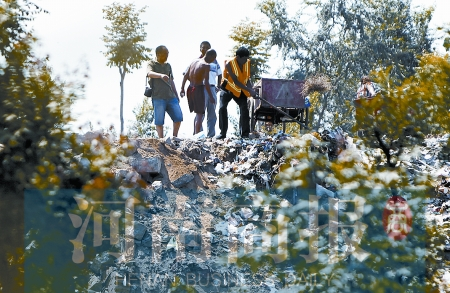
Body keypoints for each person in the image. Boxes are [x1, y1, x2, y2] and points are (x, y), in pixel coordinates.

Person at [181, 41, 222, 137]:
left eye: (207, 47)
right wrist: (185, 87)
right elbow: (186, 74)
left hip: (211, 88)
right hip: (200, 88)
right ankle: (198, 135)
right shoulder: (196, 61)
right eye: (204, 47)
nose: (205, 49)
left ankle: (210, 135)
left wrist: (218, 86)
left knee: (211, 113)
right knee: (200, 113)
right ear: (200, 49)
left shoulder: (215, 62)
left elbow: (220, 74)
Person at [217, 47, 257, 139]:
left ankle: (245, 134)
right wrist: (249, 90)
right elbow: (236, 81)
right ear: (238, 57)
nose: (246, 60)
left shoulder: (247, 63)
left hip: (239, 90)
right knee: (222, 108)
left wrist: (251, 90)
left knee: (244, 108)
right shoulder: (229, 64)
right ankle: (222, 133)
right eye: (244, 58)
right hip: (227, 88)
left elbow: (247, 79)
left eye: (247, 58)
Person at [147, 45, 183, 138]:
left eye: (167, 54)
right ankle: (161, 140)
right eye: (165, 54)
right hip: (158, 96)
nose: (167, 56)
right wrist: (160, 76)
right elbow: (149, 73)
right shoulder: (152, 63)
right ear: (158, 54)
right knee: (159, 121)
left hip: (171, 96)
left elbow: (171, 80)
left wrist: (176, 94)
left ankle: (175, 138)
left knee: (178, 117)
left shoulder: (168, 65)